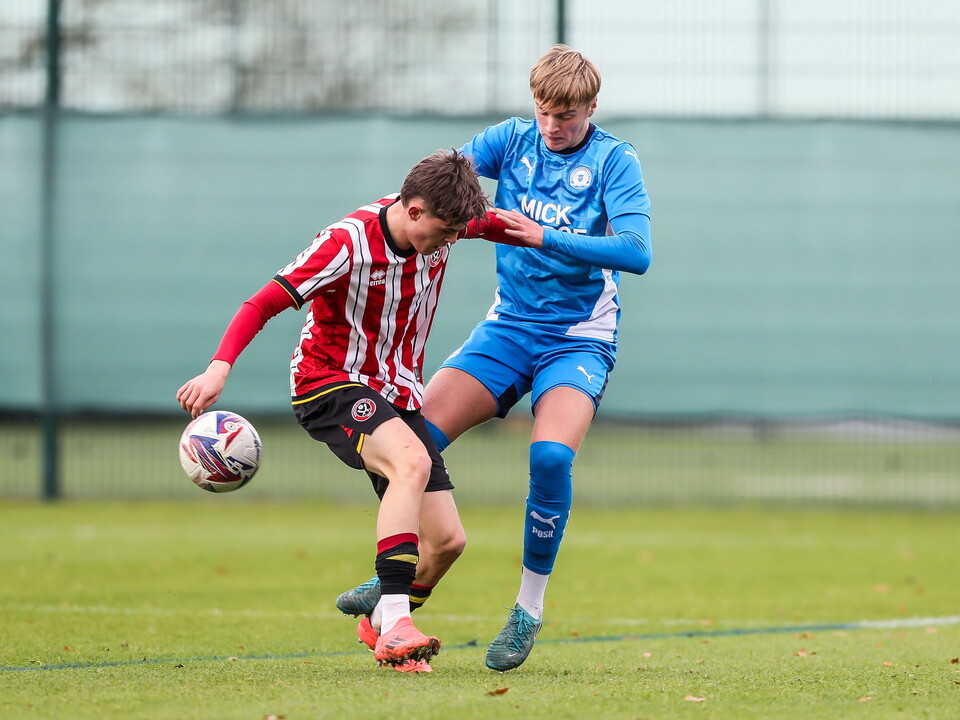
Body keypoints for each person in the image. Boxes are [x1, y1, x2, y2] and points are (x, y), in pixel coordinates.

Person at [336, 45, 652, 672]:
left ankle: (527, 608)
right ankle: (401, 584)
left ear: (592, 107)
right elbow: (436, 184)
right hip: (508, 328)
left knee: (551, 457)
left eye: (566, 115)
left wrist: (544, 236)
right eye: (543, 111)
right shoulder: (509, 139)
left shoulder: (615, 160)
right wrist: (384, 225)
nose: (552, 126)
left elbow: (636, 251)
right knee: (412, 440)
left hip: (578, 337)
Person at [176, 150, 490, 673]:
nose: (452, 240)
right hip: (329, 383)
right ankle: (399, 625)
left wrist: (560, 240)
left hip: (397, 392)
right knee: (410, 462)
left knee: (447, 543)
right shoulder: (346, 243)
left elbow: (499, 226)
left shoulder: (445, 219)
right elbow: (262, 303)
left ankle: (385, 626)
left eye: (460, 231)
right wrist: (218, 368)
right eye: (445, 231)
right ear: (414, 211)